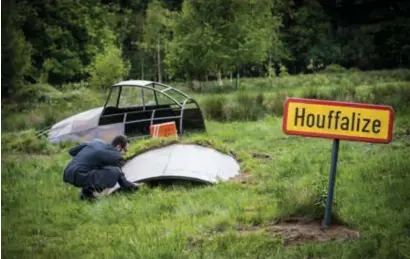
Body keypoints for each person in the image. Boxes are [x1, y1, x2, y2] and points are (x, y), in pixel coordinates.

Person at [63, 135, 138, 200]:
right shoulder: (115, 156)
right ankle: (131, 189)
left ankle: (86, 195)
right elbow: (120, 172)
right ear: (118, 147)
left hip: (68, 172)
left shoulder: (96, 142)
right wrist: (134, 186)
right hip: (79, 175)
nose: (125, 153)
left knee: (99, 169)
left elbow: (72, 151)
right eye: (125, 150)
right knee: (115, 171)